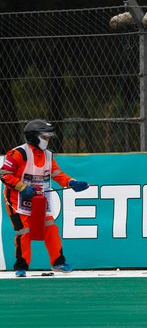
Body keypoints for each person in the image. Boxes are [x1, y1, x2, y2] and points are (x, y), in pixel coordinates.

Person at [0, 119, 89, 277]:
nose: (47, 141)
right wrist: (22, 187)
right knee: (24, 230)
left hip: (39, 199)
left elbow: (57, 174)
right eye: (45, 137)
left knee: (50, 227)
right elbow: (4, 174)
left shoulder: (48, 156)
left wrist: (72, 183)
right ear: (34, 137)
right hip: (15, 200)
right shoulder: (18, 153)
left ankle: (58, 263)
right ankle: (21, 267)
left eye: (49, 138)